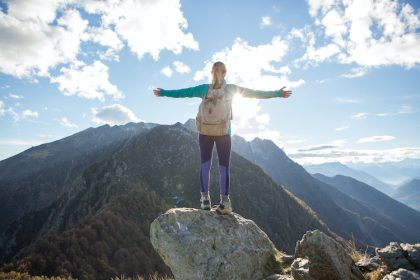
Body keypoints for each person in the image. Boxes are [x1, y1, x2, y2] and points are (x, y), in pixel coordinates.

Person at [153, 61, 292, 214]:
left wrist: (164, 92)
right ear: (225, 73)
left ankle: (205, 200)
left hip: (205, 131)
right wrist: (277, 93)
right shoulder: (231, 89)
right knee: (223, 167)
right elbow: (254, 93)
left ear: (211, 73)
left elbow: (183, 92)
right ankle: (225, 203)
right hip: (224, 133)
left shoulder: (203, 89)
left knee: (205, 165)